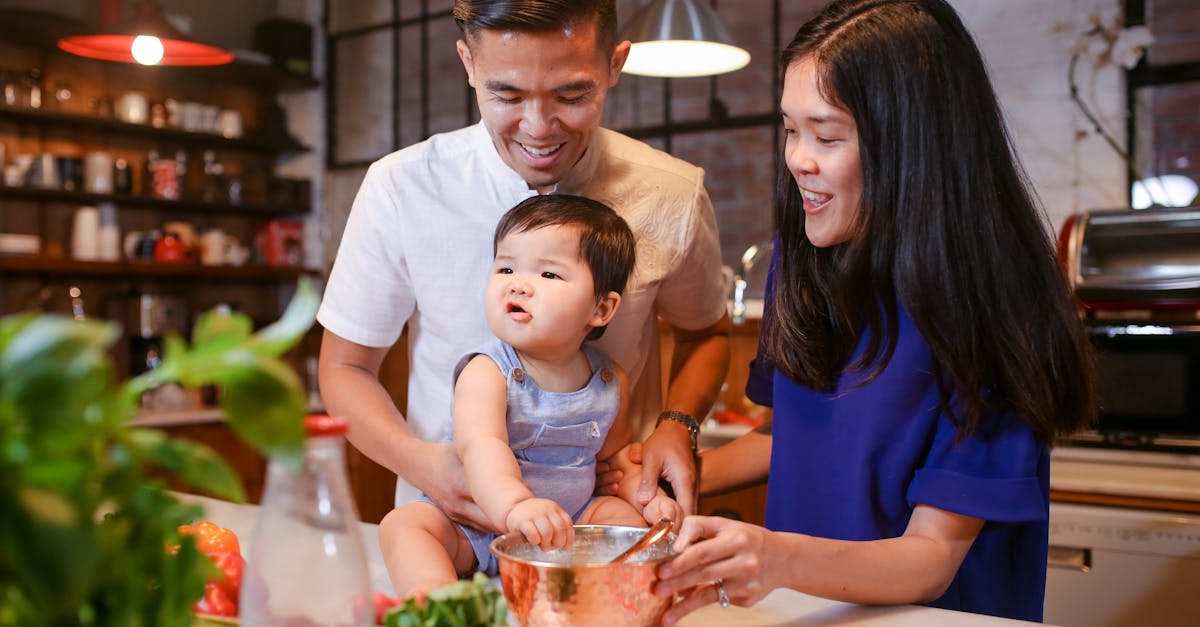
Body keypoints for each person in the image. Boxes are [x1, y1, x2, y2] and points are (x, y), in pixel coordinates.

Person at [651, 0, 1096, 623]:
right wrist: (670, 476)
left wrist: (775, 557)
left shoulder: (998, 307)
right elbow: (794, 439)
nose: (798, 159)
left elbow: (929, 557)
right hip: (805, 611)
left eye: (827, 136)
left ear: (916, 146)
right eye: (789, 129)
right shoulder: (803, 263)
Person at [317, 0, 730, 532]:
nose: (538, 128)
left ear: (615, 65)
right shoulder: (402, 186)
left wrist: (677, 425)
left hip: (604, 528)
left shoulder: (671, 191)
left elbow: (707, 335)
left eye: (571, 94)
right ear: (469, 64)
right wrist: (423, 464)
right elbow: (345, 368)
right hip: (451, 523)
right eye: (506, 95)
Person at [378, 195, 683, 597]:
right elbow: (482, 448)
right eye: (505, 267)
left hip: (567, 528)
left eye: (549, 275)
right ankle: (437, 601)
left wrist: (645, 499)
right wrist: (515, 507)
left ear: (602, 308)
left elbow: (611, 464)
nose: (518, 283)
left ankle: (604, 600)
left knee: (625, 523)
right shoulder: (488, 371)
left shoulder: (610, 381)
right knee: (405, 525)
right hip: (476, 524)